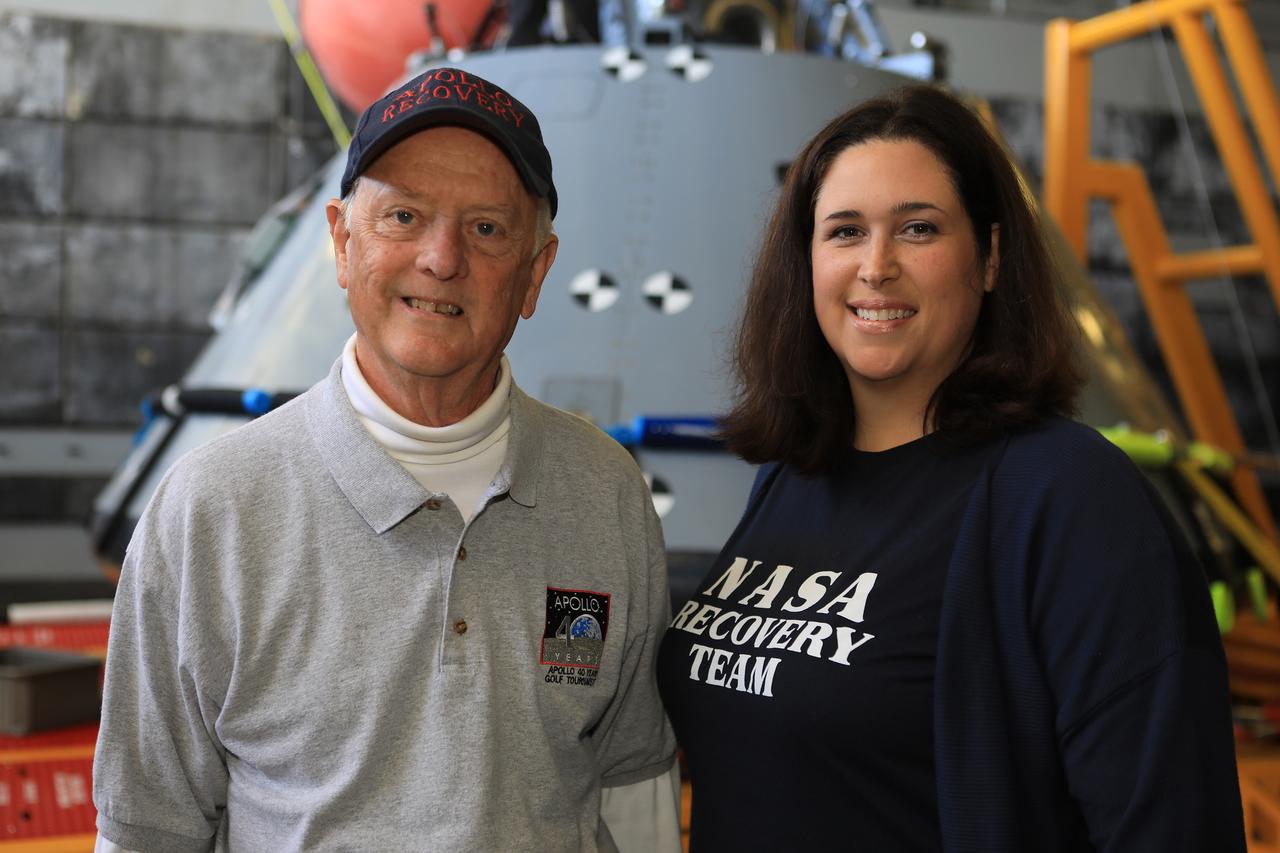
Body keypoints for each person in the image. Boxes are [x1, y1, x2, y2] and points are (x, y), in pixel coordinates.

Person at [93, 67, 679, 852]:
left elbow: (633, 787)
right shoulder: (211, 511)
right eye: (404, 216)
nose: (441, 259)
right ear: (342, 241)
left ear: (535, 272)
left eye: (486, 229)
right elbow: (145, 829)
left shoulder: (605, 494)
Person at [656, 84, 1245, 851]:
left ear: (991, 257)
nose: (877, 266)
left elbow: (1172, 825)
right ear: (806, 262)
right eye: (844, 231)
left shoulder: (1070, 498)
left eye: (919, 228)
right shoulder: (791, 476)